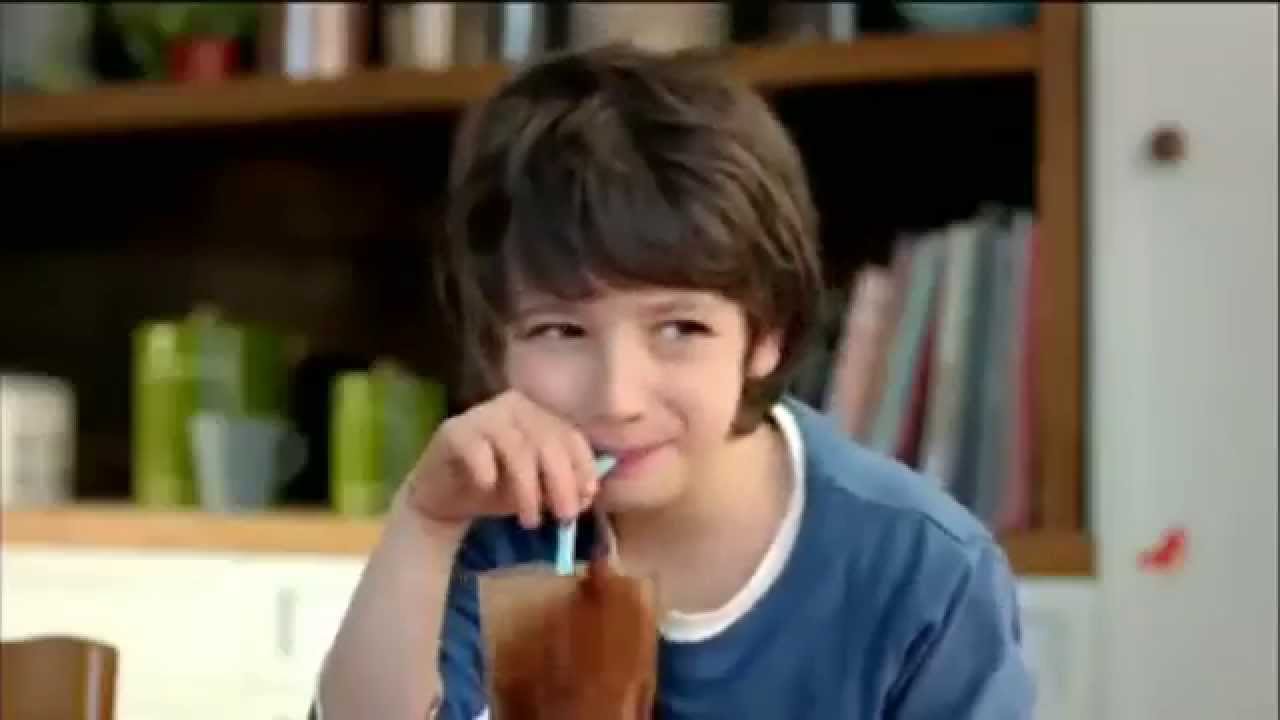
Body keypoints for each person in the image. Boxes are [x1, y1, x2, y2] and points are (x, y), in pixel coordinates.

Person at [315, 42, 1034, 720]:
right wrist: (426, 520)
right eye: (560, 331)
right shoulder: (504, 527)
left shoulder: (923, 570)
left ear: (766, 333)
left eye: (680, 329)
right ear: (497, 343)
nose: (618, 399)